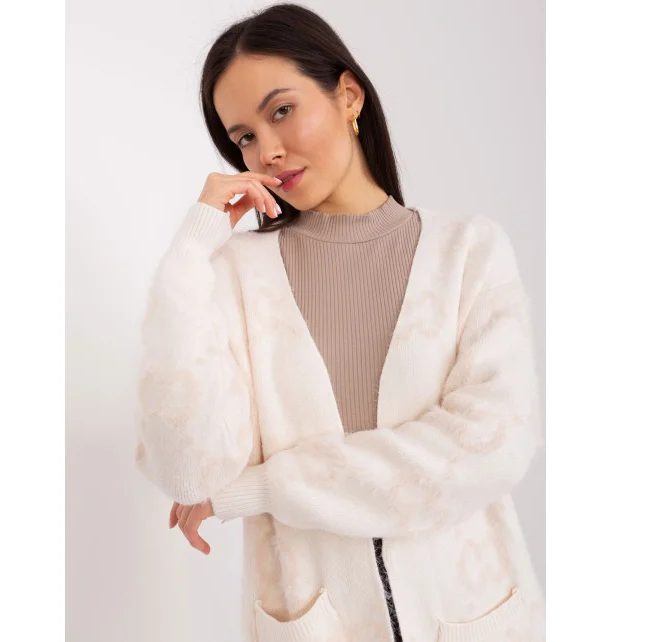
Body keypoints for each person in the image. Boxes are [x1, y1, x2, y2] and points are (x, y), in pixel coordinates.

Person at [134, 3, 546, 641]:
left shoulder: (469, 252)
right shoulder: (234, 276)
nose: (267, 151)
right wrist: (193, 248)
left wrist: (264, 488)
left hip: (475, 616)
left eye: (281, 111)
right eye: (243, 137)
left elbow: (492, 445)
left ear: (348, 95)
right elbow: (191, 472)